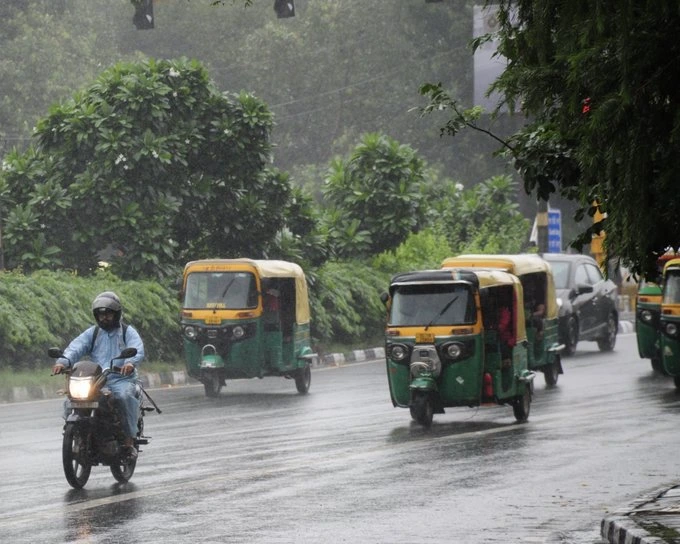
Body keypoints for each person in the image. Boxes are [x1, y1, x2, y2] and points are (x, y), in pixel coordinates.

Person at [52, 291, 145, 459]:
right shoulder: (93, 333)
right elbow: (75, 348)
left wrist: (130, 363)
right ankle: (74, 432)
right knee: (71, 399)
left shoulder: (127, 331)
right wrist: (62, 362)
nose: (104, 318)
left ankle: (129, 440)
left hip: (120, 378)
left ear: (117, 314)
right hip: (97, 380)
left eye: (108, 314)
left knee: (123, 398)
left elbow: (136, 348)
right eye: (101, 315)